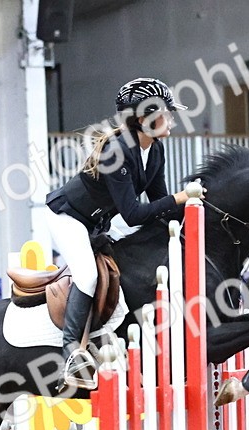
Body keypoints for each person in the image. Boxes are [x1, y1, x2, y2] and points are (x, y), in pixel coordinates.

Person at [45, 77, 204, 390]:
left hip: (99, 223)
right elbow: (133, 214)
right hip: (68, 219)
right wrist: (181, 197)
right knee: (88, 275)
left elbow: (160, 205)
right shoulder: (116, 152)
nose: (171, 119)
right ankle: (71, 351)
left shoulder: (154, 151)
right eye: (166, 114)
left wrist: (197, 210)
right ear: (144, 119)